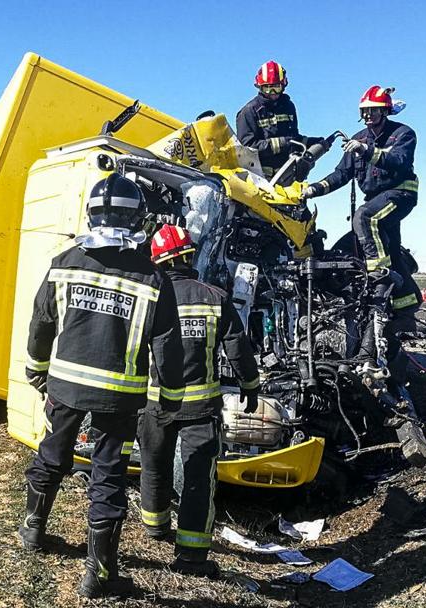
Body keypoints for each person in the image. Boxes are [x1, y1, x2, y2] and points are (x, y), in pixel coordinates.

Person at [20, 174, 185, 599]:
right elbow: (168, 348)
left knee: (52, 454)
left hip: (65, 386)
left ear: (91, 215)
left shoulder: (63, 262)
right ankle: (100, 574)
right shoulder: (153, 279)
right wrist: (170, 399)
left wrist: (37, 370)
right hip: (119, 398)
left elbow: (41, 322)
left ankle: (33, 528)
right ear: (138, 219)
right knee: (108, 477)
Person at [137, 224, 260, 577]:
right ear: (190, 257)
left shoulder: (148, 298)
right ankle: (191, 556)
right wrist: (250, 386)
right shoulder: (215, 297)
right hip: (199, 408)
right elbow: (238, 348)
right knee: (197, 480)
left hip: (155, 404)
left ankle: (155, 526)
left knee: (154, 464)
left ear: (158, 262)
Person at [302, 85, 422, 334]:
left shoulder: (403, 134)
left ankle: (378, 273)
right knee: (391, 249)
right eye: (364, 111)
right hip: (377, 199)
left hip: (401, 194)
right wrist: (314, 189)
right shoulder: (359, 139)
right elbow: (340, 175)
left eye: (373, 111)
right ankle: (406, 309)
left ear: (385, 111)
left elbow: (398, 161)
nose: (368, 116)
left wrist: (366, 150)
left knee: (365, 218)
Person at [236, 60, 319, 185]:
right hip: (261, 180)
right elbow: (246, 149)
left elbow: (293, 138)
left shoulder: (288, 106)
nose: (273, 93)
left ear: (283, 86)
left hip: (288, 178)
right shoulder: (248, 112)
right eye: (268, 88)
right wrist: (282, 143)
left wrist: (313, 143)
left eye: (276, 87)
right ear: (260, 87)